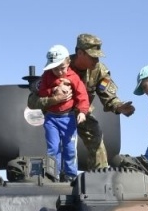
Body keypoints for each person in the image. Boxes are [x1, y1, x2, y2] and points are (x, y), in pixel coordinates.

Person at [27, 33, 135, 169]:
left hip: (80, 113)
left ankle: (99, 176)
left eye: (98, 56)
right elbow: (32, 101)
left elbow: (107, 94)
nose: (96, 60)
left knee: (95, 136)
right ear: (80, 53)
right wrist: (54, 98)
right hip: (56, 115)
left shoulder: (99, 71)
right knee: (56, 146)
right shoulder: (60, 65)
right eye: (92, 56)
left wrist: (118, 106)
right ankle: (53, 174)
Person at [36, 45, 90, 181]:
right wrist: (54, 90)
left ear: (68, 63)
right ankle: (52, 174)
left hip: (68, 118)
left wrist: (82, 112)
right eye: (55, 68)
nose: (59, 72)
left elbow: (82, 95)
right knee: (53, 147)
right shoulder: (47, 76)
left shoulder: (74, 77)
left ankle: (70, 175)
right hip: (51, 119)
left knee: (69, 148)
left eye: (62, 68)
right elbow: (42, 92)